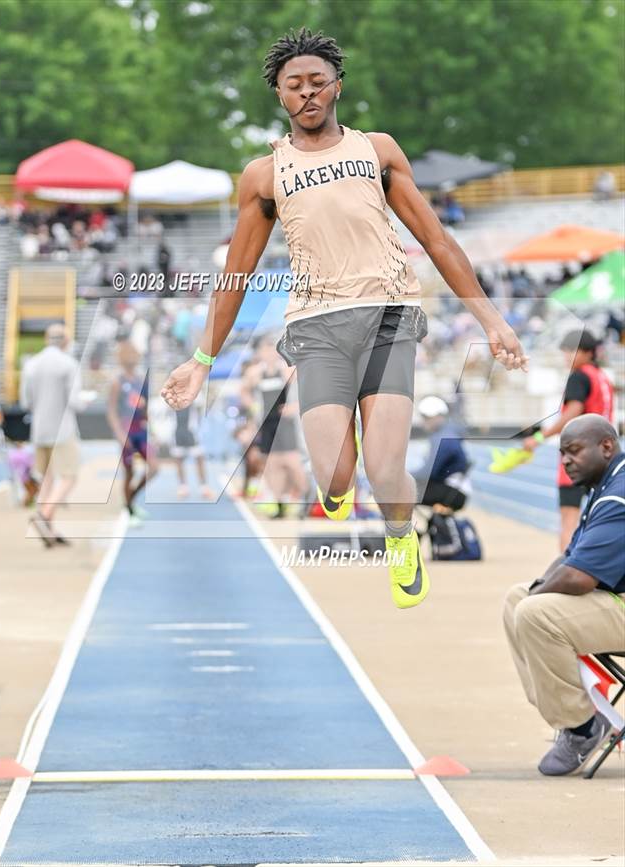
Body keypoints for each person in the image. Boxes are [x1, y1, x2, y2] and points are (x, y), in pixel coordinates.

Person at [161, 28, 528, 609]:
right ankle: (339, 484)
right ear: (280, 96)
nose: (306, 93)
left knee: (385, 474)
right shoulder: (263, 175)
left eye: (316, 82)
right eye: (293, 86)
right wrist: (202, 360)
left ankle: (401, 537)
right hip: (316, 325)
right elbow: (237, 275)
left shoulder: (377, 151)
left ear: (336, 86)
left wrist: (491, 320)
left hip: (388, 313)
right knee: (334, 477)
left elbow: (435, 239)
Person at [504, 414, 624, 775]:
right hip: (615, 599)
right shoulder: (605, 486)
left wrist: (537, 598)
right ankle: (568, 713)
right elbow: (569, 559)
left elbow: (579, 578)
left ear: (606, 447)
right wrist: (537, 590)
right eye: (562, 454)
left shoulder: (618, 496)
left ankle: (583, 728)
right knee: (517, 598)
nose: (566, 461)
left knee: (533, 612)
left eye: (573, 451)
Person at [522, 329, 614, 551]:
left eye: (570, 351)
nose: (566, 356)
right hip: (605, 457)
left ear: (586, 353)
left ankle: (568, 573)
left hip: (578, 456)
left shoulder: (579, 376)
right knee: (602, 519)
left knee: (569, 521)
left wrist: (539, 436)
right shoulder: (602, 377)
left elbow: (573, 411)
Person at [20, 323, 84, 546]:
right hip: (63, 430)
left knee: (46, 480)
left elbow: (26, 402)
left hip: (39, 430)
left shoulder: (31, 365)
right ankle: (45, 516)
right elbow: (75, 401)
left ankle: (48, 529)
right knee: (69, 477)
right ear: (65, 340)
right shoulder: (69, 364)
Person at [240, 337, 307, 518]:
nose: (269, 354)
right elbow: (244, 391)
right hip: (267, 424)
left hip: (286, 424)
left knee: (293, 463)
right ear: (260, 353)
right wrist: (253, 407)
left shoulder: (287, 370)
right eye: (265, 351)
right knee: (272, 465)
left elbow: (308, 388)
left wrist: (295, 407)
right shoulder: (254, 373)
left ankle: (306, 498)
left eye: (272, 350)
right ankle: (279, 505)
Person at [106, 341, 159, 526]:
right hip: (126, 430)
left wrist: (153, 432)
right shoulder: (117, 382)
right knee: (129, 472)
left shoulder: (141, 380)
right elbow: (111, 410)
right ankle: (129, 511)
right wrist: (120, 435)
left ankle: (131, 500)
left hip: (141, 430)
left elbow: (145, 409)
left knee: (154, 467)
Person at [415, 395, 471, 512]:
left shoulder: (444, 437)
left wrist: (401, 476)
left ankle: (400, 529)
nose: (423, 422)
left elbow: (429, 472)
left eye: (425, 417)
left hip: (454, 492)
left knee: (401, 492)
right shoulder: (447, 432)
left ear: (438, 417)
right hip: (454, 489)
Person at [171, 405, 213, 500]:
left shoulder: (194, 398)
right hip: (178, 433)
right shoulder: (173, 396)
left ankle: (204, 487)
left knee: (199, 458)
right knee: (178, 460)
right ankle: (183, 487)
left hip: (192, 434)